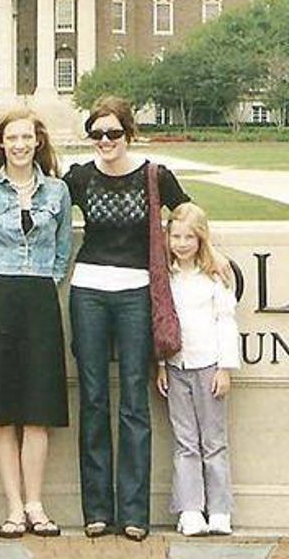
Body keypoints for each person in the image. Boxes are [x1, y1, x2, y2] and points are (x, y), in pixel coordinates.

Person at [63, 96, 190, 542]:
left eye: (113, 133)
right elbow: (43, 207)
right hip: (88, 291)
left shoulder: (155, 175)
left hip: (137, 292)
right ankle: (97, 509)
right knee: (94, 398)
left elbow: (188, 216)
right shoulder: (79, 177)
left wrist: (205, 257)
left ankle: (134, 512)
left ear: (129, 133)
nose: (105, 141)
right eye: (97, 133)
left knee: (135, 400)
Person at [0, 108, 73, 540]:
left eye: (27, 137)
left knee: (38, 411)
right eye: (12, 138)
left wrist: (46, 278)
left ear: (38, 142)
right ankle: (13, 507)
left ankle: (35, 504)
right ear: (1, 144)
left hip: (40, 296)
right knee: (3, 410)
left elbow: (63, 250)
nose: (20, 145)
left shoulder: (58, 191)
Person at [155, 203, 239, 537]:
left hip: (209, 366)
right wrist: (161, 365)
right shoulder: (166, 277)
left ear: (201, 238)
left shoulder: (215, 275)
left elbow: (226, 321)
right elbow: (161, 323)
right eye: (175, 236)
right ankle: (190, 509)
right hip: (177, 366)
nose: (181, 243)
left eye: (189, 237)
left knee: (214, 442)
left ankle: (219, 509)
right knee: (185, 441)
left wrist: (225, 367)